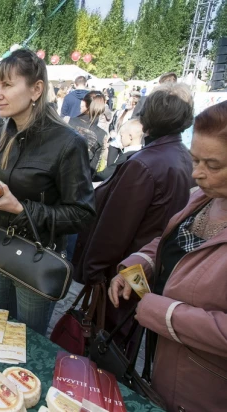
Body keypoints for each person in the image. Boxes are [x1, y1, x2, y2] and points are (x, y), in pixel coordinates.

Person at [0, 49, 95, 336]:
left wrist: (21, 209)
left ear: (36, 89)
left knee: (25, 340)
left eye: (7, 85)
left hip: (37, 259)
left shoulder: (68, 143)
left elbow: (83, 215)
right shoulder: (4, 131)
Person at [108, 101, 227, 412]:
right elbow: (170, 243)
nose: (197, 173)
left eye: (212, 165)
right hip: (166, 367)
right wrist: (139, 265)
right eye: (195, 160)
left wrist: (165, 314)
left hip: (204, 390)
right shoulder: (203, 198)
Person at [73, 83, 194, 345]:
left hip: (127, 271)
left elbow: (115, 228)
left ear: (147, 119)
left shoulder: (145, 163)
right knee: (123, 338)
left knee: (107, 342)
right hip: (148, 269)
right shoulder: (182, 157)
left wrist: (93, 273)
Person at [68, 91, 108, 175]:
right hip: (80, 179)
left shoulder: (67, 121)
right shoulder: (102, 134)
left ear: (83, 103)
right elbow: (93, 167)